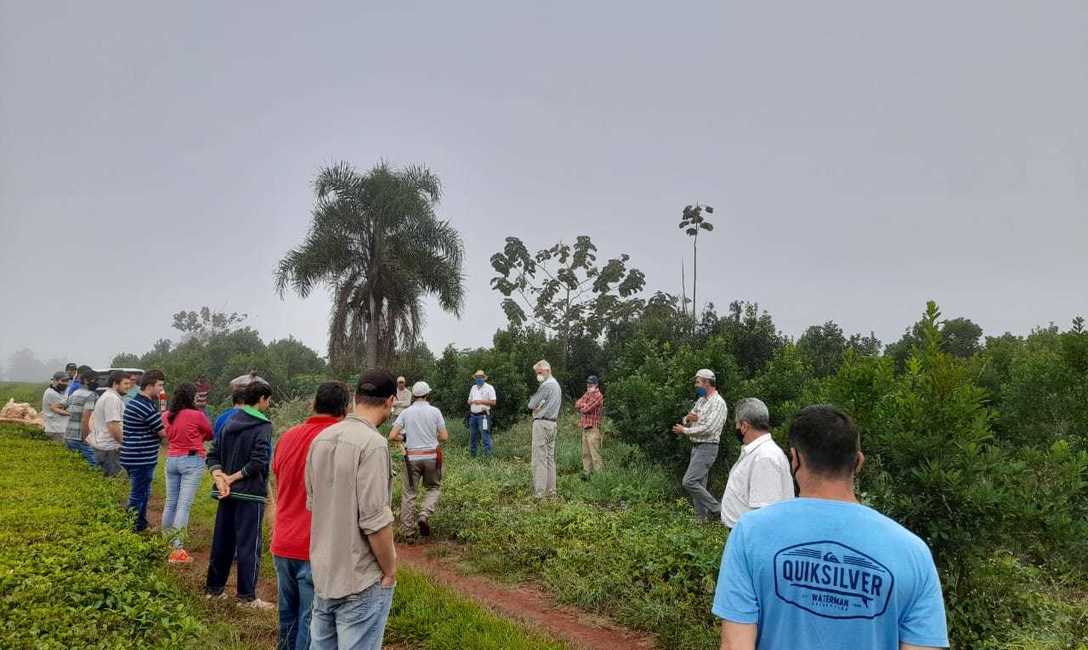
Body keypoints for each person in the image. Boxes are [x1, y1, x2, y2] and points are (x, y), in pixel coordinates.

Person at [713, 405, 949, 649]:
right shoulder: (913, 553)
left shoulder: (749, 533)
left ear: (795, 459)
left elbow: (735, 645)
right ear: (858, 462)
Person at [306, 369, 398, 650]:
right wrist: (390, 570)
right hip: (360, 580)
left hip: (323, 575)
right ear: (390, 401)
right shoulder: (373, 444)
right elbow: (374, 520)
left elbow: (313, 503)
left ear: (356, 398)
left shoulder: (321, 439)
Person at [271, 381, 349, 650]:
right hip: (314, 548)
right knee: (310, 621)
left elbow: (278, 479)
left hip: (282, 543)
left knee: (287, 616)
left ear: (313, 404)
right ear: (345, 409)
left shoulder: (287, 437)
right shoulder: (340, 440)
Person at [204, 381, 275, 609]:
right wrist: (233, 478)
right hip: (250, 494)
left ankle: (214, 590)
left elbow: (212, 454)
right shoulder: (263, 425)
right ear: (262, 399)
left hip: (226, 493)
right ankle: (246, 597)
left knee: (222, 541)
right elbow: (258, 462)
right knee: (249, 545)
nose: (268, 404)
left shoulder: (229, 421)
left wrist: (220, 477)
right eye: (268, 400)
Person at [719, 398, 793, 528]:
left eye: (737, 424)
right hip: (743, 533)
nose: (736, 428)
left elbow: (764, 514)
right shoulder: (757, 452)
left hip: (751, 537)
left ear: (744, 426)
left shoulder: (765, 457)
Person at [162, 382, 214, 564]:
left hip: (172, 459)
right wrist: (197, 437)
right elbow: (210, 433)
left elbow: (168, 434)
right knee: (183, 505)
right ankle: (177, 550)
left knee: (170, 503)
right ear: (191, 397)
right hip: (191, 460)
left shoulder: (167, 415)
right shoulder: (197, 415)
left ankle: (167, 544)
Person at [389, 381, 449, 538]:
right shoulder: (435, 411)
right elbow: (444, 437)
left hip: (411, 459)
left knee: (409, 493)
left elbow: (392, 436)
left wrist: (406, 436)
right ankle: (424, 514)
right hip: (431, 457)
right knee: (434, 488)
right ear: (428, 394)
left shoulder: (406, 413)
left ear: (414, 395)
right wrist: (431, 437)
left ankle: (408, 533)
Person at [671, 368, 727, 522]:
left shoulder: (718, 403)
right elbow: (687, 418)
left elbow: (709, 428)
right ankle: (701, 520)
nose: (696, 385)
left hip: (708, 447)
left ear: (707, 382)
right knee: (699, 485)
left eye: (698, 382)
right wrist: (687, 421)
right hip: (697, 447)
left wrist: (685, 431)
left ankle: (718, 509)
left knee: (689, 481)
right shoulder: (701, 401)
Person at [121, 369, 166, 532]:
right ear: (149, 385)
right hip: (140, 457)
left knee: (143, 492)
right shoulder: (144, 406)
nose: (161, 390)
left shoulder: (137, 402)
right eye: (160, 385)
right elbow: (163, 432)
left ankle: (140, 525)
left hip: (135, 454)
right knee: (137, 494)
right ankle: (130, 528)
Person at [527, 359, 562, 499]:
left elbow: (531, 404)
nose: (538, 375)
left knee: (539, 459)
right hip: (552, 423)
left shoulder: (546, 386)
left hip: (542, 424)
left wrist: (536, 407)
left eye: (540, 372)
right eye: (537, 373)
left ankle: (539, 494)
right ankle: (551, 492)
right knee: (549, 459)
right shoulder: (557, 385)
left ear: (548, 370)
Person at [89, 370, 132, 477]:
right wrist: (125, 443)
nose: (128, 386)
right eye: (125, 383)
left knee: (106, 481)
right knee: (115, 481)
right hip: (109, 449)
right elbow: (113, 425)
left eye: (129, 384)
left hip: (104, 446)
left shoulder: (108, 396)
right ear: (115, 384)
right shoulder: (112, 399)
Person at [63, 367, 98, 467]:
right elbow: (85, 418)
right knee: (93, 466)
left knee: (75, 466)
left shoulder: (75, 393)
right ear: (86, 380)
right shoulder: (91, 395)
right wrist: (86, 438)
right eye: (94, 380)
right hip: (80, 437)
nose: (96, 382)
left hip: (69, 434)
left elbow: (58, 406)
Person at [573, 375, 605, 479]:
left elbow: (586, 409)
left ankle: (600, 478)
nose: (588, 385)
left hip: (593, 429)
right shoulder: (587, 393)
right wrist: (583, 405)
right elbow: (577, 404)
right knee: (585, 454)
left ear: (596, 385)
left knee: (595, 455)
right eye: (588, 383)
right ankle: (587, 475)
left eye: (591, 383)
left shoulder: (598, 395)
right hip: (585, 429)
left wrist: (583, 405)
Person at [467, 370, 497, 457]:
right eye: (477, 377)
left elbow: (493, 402)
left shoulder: (489, 387)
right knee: (473, 436)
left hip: (483, 416)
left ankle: (488, 457)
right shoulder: (473, 388)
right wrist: (471, 401)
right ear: (475, 378)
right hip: (473, 416)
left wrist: (481, 401)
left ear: (484, 378)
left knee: (485, 436)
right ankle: (472, 456)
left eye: (480, 377)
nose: (479, 379)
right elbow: (468, 400)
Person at [42, 372, 70, 442]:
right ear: (55, 381)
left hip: (59, 428)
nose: (65, 383)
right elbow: (63, 408)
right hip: (56, 429)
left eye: (67, 381)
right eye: (63, 381)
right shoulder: (51, 393)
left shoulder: (58, 392)